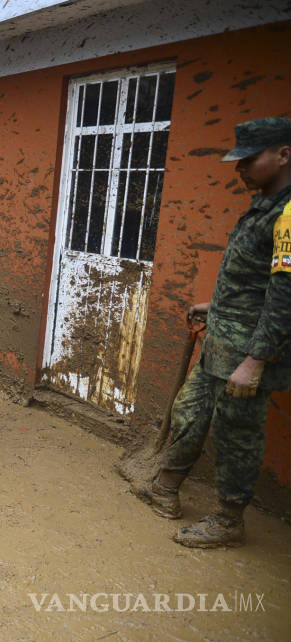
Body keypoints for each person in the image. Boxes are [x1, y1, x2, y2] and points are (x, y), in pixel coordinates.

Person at [132, 117, 291, 548]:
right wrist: (214, 306)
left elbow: (284, 295)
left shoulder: (289, 213)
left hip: (247, 352)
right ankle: (165, 488)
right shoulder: (264, 207)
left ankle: (228, 518)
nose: (239, 169)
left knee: (235, 433)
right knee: (190, 410)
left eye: (249, 160)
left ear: (283, 155)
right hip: (221, 338)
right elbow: (253, 280)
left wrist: (254, 361)